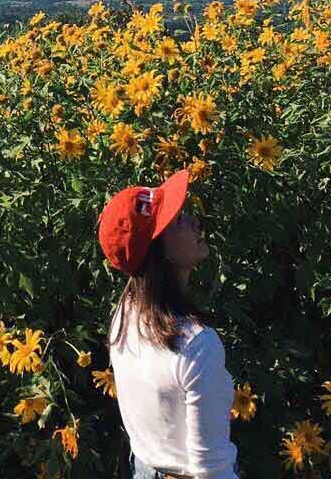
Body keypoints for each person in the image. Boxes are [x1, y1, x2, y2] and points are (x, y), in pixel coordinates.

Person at [97, 168, 242, 479]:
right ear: (158, 252)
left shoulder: (125, 316)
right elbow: (212, 470)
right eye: (178, 220)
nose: (194, 222)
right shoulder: (196, 345)